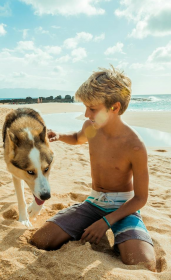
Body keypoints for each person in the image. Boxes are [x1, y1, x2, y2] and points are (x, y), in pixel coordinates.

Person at [30, 66, 156, 271]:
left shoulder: (134, 145)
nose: (86, 114)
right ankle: (83, 225)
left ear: (114, 107)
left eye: (92, 108)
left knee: (143, 263)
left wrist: (106, 222)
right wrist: (60, 135)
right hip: (94, 202)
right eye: (86, 107)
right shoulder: (91, 127)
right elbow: (78, 138)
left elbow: (140, 198)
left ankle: (123, 235)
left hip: (123, 208)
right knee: (41, 240)